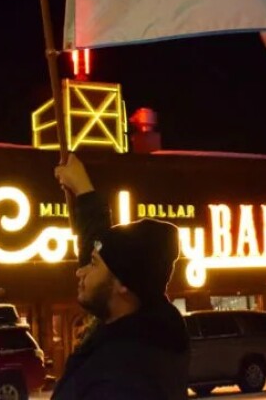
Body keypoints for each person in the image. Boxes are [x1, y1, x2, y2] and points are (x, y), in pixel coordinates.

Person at [51, 154, 190, 400]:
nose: (80, 271)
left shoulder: (126, 378)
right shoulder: (140, 330)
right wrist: (83, 189)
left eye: (92, 265)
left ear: (122, 286)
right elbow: (106, 254)